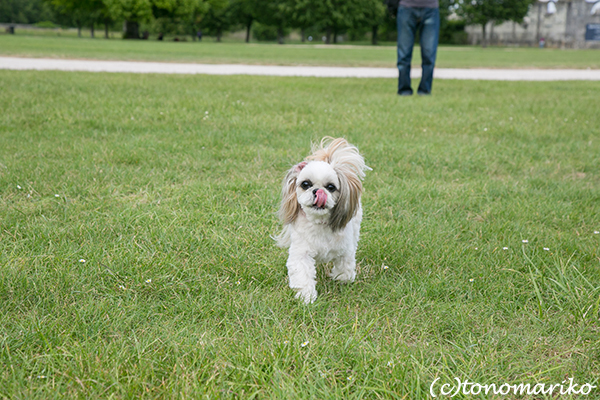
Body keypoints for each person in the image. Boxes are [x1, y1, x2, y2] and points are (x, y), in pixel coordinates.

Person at [394, 0, 440, 96]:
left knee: (429, 54)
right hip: (406, 6)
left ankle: (425, 90)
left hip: (431, 8)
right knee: (404, 54)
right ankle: (404, 90)